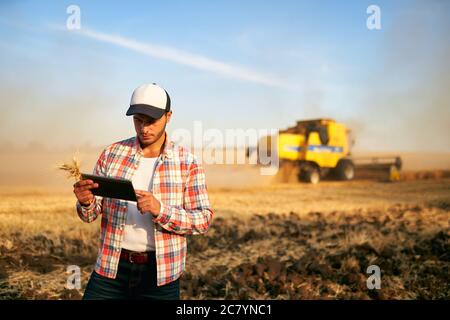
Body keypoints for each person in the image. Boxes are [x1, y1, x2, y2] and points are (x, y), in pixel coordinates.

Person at [73, 83, 214, 300]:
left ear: (169, 116)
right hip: (111, 268)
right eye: (138, 120)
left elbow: (203, 219)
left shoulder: (187, 161)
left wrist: (161, 210)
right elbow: (90, 215)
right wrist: (85, 203)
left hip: (161, 274)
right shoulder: (111, 154)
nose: (144, 128)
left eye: (151, 121)